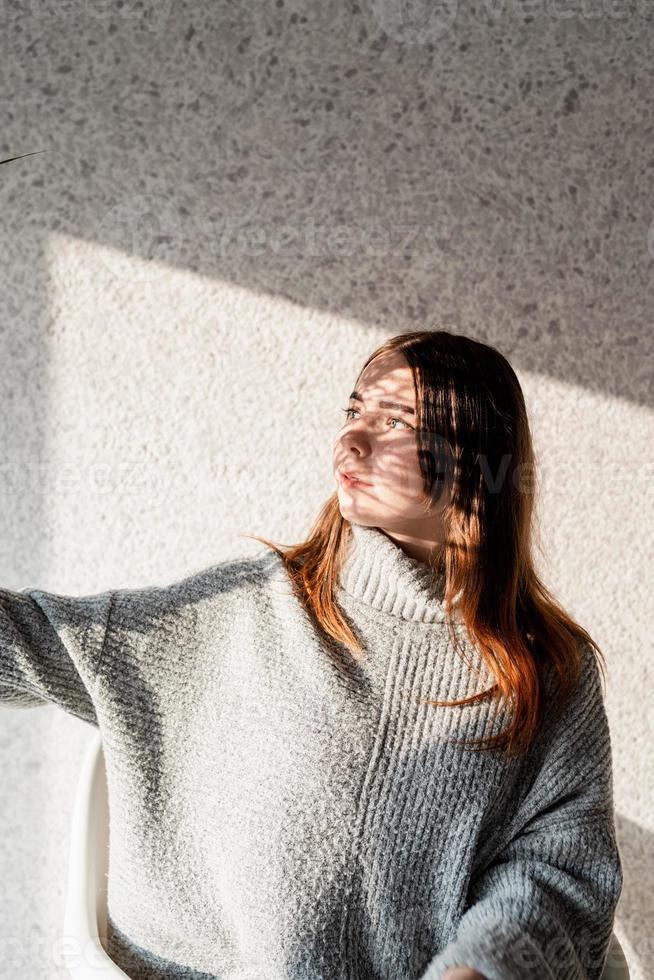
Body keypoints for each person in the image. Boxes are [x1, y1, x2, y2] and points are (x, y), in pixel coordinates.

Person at [0, 329, 623, 980]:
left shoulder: (546, 667)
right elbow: (36, 638)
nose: (352, 440)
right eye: (354, 411)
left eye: (395, 421)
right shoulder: (256, 605)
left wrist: (485, 964)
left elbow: (562, 865)